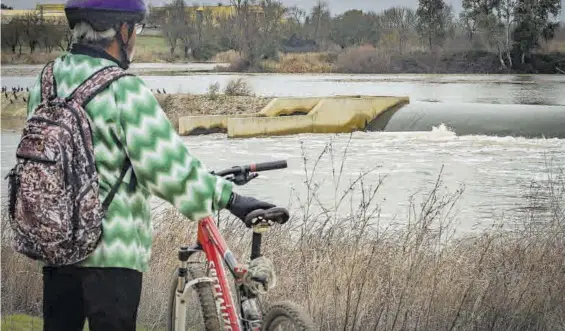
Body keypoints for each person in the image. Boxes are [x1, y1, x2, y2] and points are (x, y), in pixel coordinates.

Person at [26, 0, 276, 330]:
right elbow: (169, 170)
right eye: (135, 30)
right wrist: (232, 198)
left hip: (55, 248)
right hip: (113, 253)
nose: (135, 40)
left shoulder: (46, 84)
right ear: (121, 31)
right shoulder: (122, 90)